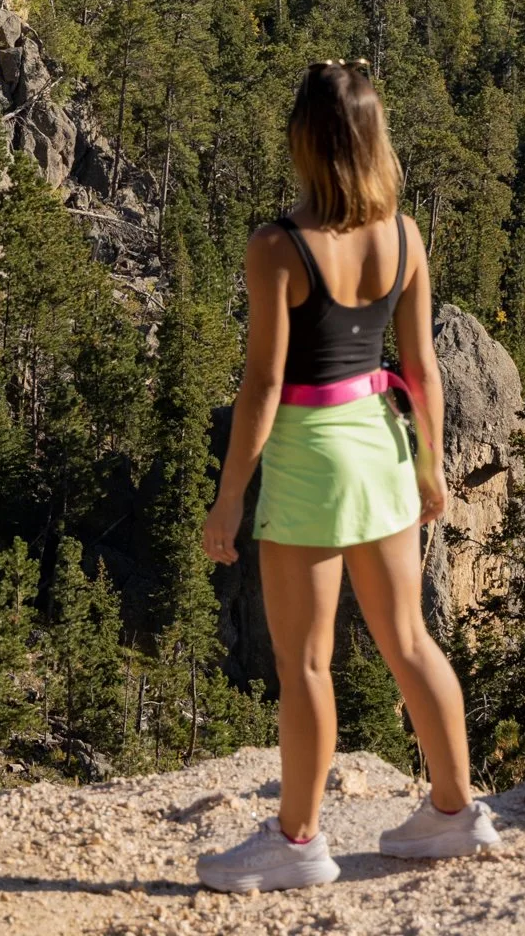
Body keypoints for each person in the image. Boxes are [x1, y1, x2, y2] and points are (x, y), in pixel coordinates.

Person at [195, 60, 497, 893]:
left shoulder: (278, 248)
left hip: (309, 457)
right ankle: (455, 809)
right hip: (383, 443)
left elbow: (261, 385)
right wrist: (431, 468)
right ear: (373, 142)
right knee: (408, 641)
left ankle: (297, 842)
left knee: (308, 665)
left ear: (306, 142)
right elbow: (423, 368)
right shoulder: (403, 234)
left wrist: (228, 502)